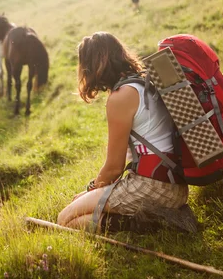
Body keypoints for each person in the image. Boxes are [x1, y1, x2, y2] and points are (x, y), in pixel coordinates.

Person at [57, 32, 192, 233]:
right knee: (83, 208)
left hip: (152, 188)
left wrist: (91, 190)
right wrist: (92, 194)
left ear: (93, 66)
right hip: (176, 187)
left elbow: (113, 168)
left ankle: (154, 225)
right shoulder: (144, 82)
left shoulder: (121, 97)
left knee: (66, 220)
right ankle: (155, 216)